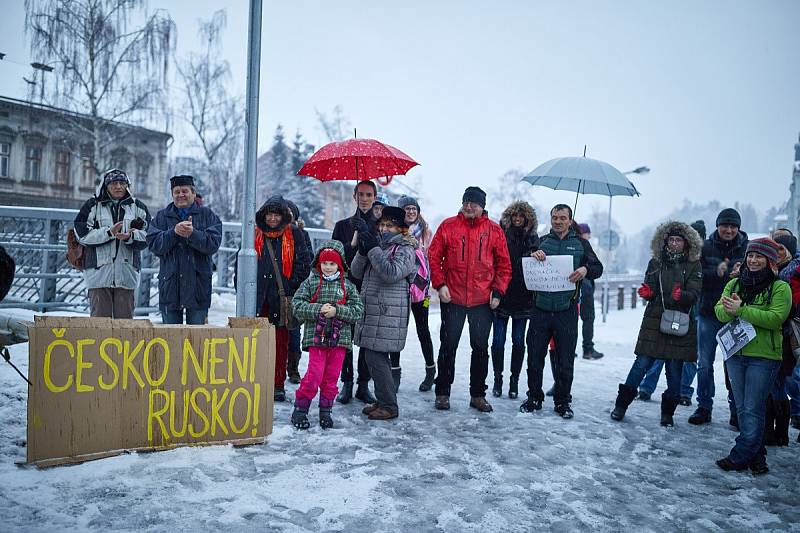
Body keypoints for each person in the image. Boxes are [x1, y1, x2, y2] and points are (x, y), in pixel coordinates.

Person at [428, 186, 512, 413]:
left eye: (473, 203)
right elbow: (434, 257)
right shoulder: (448, 226)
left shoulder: (494, 230)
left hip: (482, 301)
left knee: (480, 348)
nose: (468, 206)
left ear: (482, 206)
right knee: (448, 346)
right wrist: (440, 284)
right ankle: (443, 393)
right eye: (466, 202)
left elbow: (504, 266)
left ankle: (477, 395)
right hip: (453, 298)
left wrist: (498, 292)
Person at [610, 221, 702, 425]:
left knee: (674, 370)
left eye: (679, 240)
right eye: (671, 240)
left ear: (687, 243)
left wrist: (683, 295)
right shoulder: (656, 262)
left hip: (679, 322)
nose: (675, 243)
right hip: (654, 319)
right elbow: (649, 284)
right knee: (641, 364)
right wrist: (648, 293)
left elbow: (696, 293)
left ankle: (667, 413)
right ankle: (621, 405)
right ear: (665, 241)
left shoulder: (693, 264)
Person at [715, 238, 790, 475]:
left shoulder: (780, 287)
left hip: (764, 357)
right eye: (751, 256)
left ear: (769, 261)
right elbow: (719, 312)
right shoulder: (735, 284)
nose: (754, 260)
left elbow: (775, 318)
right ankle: (757, 458)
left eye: (759, 257)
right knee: (743, 407)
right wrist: (729, 311)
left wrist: (742, 310)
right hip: (736, 354)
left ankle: (739, 455)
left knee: (752, 408)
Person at [520, 204, 603, 419]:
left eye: (562, 218)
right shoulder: (542, 242)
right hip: (540, 310)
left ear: (570, 219)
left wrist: (585, 269)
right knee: (535, 358)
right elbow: (525, 265)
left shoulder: (581, 244)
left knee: (565, 360)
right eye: (555, 217)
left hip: (566, 310)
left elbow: (598, 268)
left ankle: (562, 401)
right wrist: (533, 254)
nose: (558, 221)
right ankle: (534, 398)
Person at [351, 206, 417, 420]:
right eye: (382, 225)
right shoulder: (378, 244)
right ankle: (382, 399)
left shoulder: (405, 249)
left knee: (376, 356)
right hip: (373, 309)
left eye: (389, 225)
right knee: (374, 357)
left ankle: (389, 406)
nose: (384, 229)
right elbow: (356, 272)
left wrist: (372, 248)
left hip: (388, 311)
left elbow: (390, 273)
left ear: (400, 228)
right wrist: (363, 248)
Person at [290, 240, 363, 429]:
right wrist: (318, 309)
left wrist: (337, 311)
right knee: (314, 375)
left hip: (340, 340)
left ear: (339, 265)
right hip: (317, 337)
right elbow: (297, 305)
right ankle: (300, 409)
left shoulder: (348, 286)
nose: (328, 267)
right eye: (324, 263)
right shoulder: (311, 282)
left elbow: (357, 310)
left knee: (331, 377)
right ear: (318, 264)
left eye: (332, 264)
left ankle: (325, 411)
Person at [689, 208, 748, 426]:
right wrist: (718, 272)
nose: (729, 230)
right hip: (708, 312)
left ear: (738, 228)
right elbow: (696, 274)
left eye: (733, 226)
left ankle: (736, 410)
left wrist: (741, 274)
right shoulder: (705, 247)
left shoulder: (747, 247)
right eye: (725, 225)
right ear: (717, 226)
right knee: (704, 364)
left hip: (734, 316)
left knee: (733, 365)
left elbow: (757, 275)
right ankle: (704, 407)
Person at [254, 195, 312, 402]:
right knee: (257, 343)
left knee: (280, 343)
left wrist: (290, 285)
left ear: (283, 216)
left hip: (282, 297)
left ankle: (278, 384)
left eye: (276, 214)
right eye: (269, 214)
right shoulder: (255, 234)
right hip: (259, 297)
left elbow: (305, 263)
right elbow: (241, 263)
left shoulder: (294, 233)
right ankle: (259, 380)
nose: (272, 218)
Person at [75, 168, 151, 318]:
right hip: (98, 274)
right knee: (100, 324)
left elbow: (148, 235)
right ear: (105, 186)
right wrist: (109, 233)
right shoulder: (93, 205)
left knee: (124, 325)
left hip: (127, 273)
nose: (118, 187)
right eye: (113, 183)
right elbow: (82, 234)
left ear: (127, 185)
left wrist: (130, 237)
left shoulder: (138, 207)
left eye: (122, 183)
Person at [147, 175, 221, 325]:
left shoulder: (208, 215)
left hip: (198, 285)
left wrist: (193, 234)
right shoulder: (162, 216)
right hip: (170, 285)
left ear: (193, 193)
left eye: (185, 191)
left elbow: (213, 244)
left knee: (197, 340)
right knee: (170, 339)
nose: (181, 195)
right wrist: (173, 232)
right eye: (177, 191)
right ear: (172, 194)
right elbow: (154, 244)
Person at [331, 181, 378, 405]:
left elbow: (378, 254)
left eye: (369, 194)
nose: (365, 198)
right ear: (354, 196)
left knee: (367, 338)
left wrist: (367, 231)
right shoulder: (342, 226)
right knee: (346, 336)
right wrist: (352, 241)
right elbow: (335, 257)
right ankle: (347, 382)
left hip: (370, 286)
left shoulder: (380, 225)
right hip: (347, 285)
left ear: (375, 197)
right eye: (361, 194)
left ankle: (363, 384)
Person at [491, 201, 539, 399]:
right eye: (515, 216)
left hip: (523, 297)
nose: (518, 219)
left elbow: (537, 260)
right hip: (502, 294)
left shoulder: (533, 238)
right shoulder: (501, 233)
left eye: (522, 216)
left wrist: (535, 254)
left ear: (528, 218)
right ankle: (497, 378)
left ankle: (514, 381)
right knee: (498, 341)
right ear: (509, 217)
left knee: (519, 342)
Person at [398, 194, 437, 391]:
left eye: (414, 208)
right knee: (397, 331)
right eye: (407, 208)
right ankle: (394, 373)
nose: (411, 211)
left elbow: (432, 257)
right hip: (400, 287)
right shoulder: (395, 230)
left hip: (422, 289)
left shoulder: (426, 232)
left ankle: (431, 371)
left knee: (423, 331)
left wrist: (418, 248)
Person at [285, 199, 315, 385]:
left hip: (294, 289)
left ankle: (293, 368)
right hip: (275, 289)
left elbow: (308, 260)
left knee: (294, 331)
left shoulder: (302, 234)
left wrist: (294, 281)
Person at [576, 223, 604, 360]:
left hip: (577, 286)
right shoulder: (583, 245)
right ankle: (588, 349)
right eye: (588, 233)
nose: (590, 236)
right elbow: (595, 266)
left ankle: (569, 348)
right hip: (584, 286)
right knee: (588, 318)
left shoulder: (573, 244)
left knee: (573, 319)